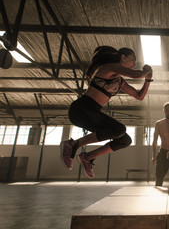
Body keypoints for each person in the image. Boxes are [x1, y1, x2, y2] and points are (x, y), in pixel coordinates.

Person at [60, 46, 153, 179]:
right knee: (119, 129)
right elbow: (136, 75)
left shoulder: (119, 80)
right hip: (81, 109)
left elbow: (139, 96)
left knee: (124, 140)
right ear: (123, 57)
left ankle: (87, 157)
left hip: (92, 113)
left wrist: (148, 80)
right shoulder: (110, 67)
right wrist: (145, 71)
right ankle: (73, 144)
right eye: (132, 60)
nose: (134, 64)